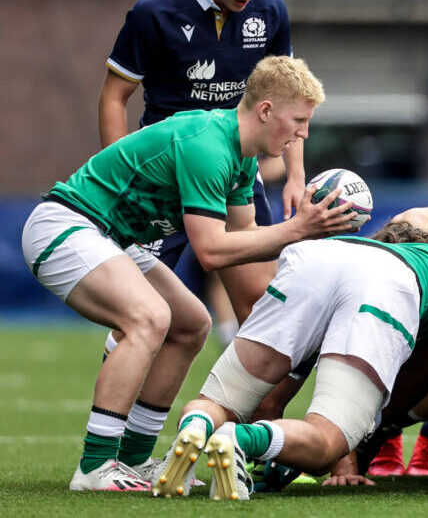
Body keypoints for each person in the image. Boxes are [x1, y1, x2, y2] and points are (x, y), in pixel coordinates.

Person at [21, 56, 352, 492]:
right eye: (299, 120)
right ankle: (95, 466)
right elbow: (212, 251)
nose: (303, 134)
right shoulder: (209, 146)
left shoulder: (241, 157)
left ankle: (135, 461)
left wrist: (307, 247)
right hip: (66, 225)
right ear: (266, 110)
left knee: (192, 323)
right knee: (150, 317)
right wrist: (298, 228)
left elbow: (246, 239)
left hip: (111, 238)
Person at [150, 217, 428, 500]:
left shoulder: (369, 247)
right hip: (390, 286)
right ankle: (240, 441)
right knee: (326, 436)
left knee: (223, 397)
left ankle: (195, 430)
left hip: (313, 258)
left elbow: (282, 383)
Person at [98, 0, 299, 324]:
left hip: (236, 173)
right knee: (142, 310)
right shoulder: (155, 10)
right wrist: (120, 175)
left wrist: (295, 173)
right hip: (162, 173)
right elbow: (115, 96)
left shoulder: (272, 10)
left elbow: (288, 97)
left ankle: (235, 392)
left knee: (263, 304)